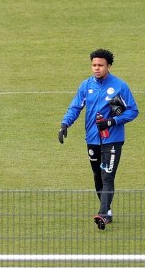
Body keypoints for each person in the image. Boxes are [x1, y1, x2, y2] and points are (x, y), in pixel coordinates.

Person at [58, 49, 138, 230]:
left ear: (108, 66)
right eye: (94, 65)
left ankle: (102, 215)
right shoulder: (86, 86)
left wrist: (112, 121)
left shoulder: (119, 86)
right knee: (97, 176)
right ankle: (107, 211)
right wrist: (65, 124)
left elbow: (133, 111)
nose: (96, 68)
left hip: (112, 139)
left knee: (107, 175)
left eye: (100, 65)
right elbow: (75, 107)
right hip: (92, 139)